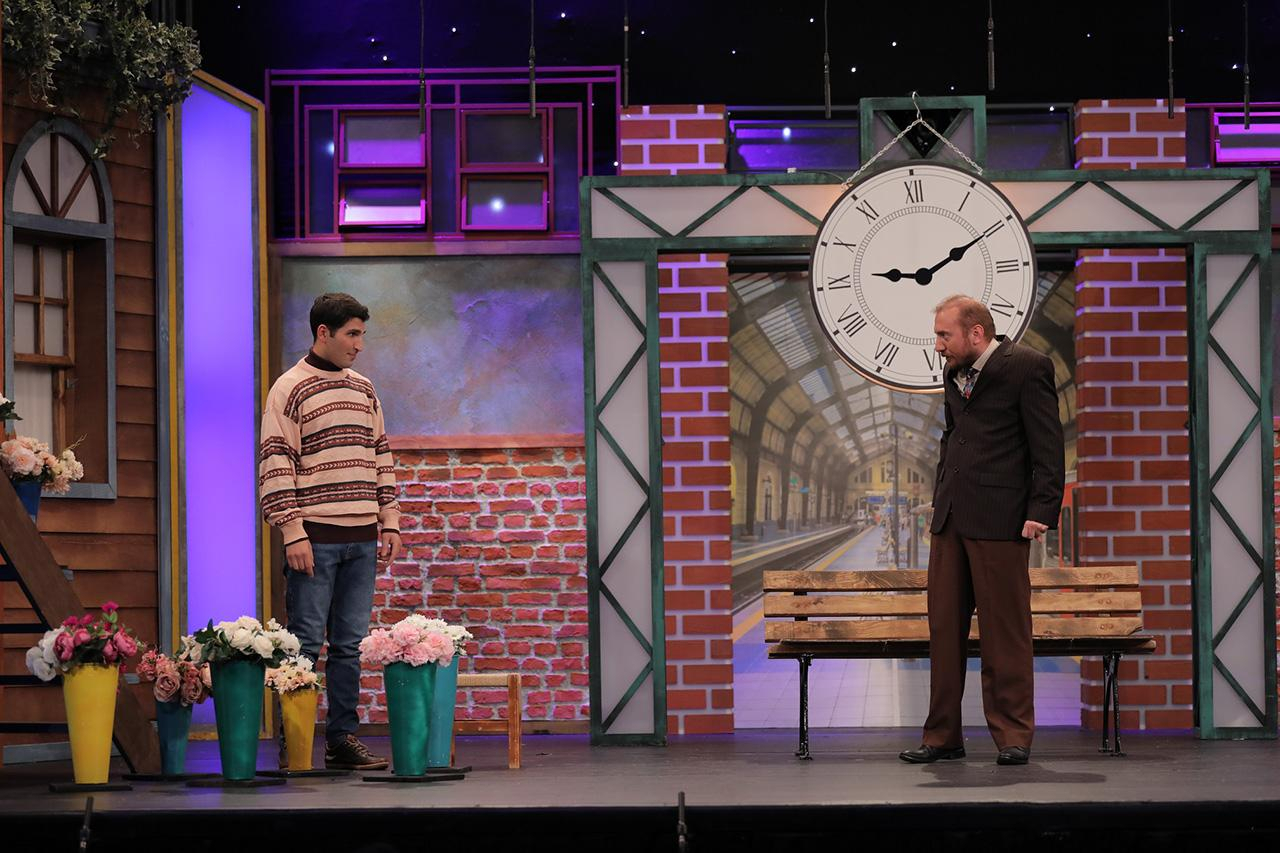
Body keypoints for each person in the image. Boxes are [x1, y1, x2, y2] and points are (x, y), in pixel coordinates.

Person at [899, 295, 1064, 767]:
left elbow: (1047, 445)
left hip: (1001, 519)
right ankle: (942, 737)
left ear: (976, 332)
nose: (937, 345)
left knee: (1004, 633)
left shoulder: (1028, 367)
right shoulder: (953, 373)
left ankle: (1013, 735)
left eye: (944, 335)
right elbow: (953, 435)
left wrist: (1042, 509)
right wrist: (940, 495)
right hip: (950, 520)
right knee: (944, 630)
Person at [259, 292, 402, 770]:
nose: (359, 345)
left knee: (349, 646)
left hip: (362, 538)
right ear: (324, 333)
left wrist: (389, 519)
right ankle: (296, 742)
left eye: (362, 334)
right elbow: (276, 462)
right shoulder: (289, 388)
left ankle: (342, 740)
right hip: (315, 539)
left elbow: (381, 454)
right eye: (352, 334)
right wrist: (292, 532)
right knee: (303, 644)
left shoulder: (364, 388)